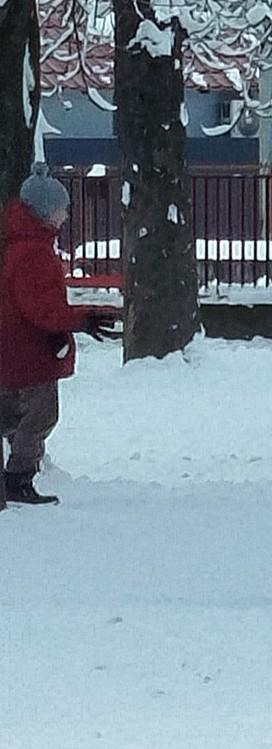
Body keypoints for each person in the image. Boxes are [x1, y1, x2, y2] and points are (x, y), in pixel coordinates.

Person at [0, 168, 118, 509]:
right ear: (44, 211)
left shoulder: (19, 245)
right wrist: (81, 319)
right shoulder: (33, 253)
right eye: (61, 209)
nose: (66, 215)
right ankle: (18, 479)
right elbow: (42, 307)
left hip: (17, 346)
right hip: (29, 351)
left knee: (12, 413)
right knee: (40, 416)